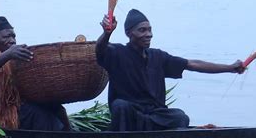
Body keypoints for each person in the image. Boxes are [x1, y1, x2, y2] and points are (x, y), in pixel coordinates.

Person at [96, 9, 245, 131]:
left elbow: (192, 64)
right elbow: (100, 49)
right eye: (142, 30)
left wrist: (230, 68)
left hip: (155, 114)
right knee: (120, 106)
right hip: (131, 115)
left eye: (149, 30)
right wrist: (107, 33)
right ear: (129, 34)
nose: (148, 34)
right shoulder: (117, 53)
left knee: (180, 117)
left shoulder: (158, 56)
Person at [0, 16, 68, 130]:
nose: (12, 40)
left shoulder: (13, 58)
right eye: (6, 36)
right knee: (35, 114)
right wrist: (7, 55)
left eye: (13, 36)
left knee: (56, 108)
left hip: (12, 105)